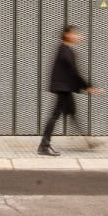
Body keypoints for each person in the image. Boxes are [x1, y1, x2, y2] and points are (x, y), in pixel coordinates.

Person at [38, 24, 101, 156]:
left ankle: (88, 141)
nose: (77, 36)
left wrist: (54, 88)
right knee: (55, 116)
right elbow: (74, 72)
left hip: (63, 88)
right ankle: (44, 146)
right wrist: (88, 86)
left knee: (72, 114)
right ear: (67, 34)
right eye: (75, 34)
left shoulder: (62, 49)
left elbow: (57, 70)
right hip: (64, 89)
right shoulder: (66, 51)